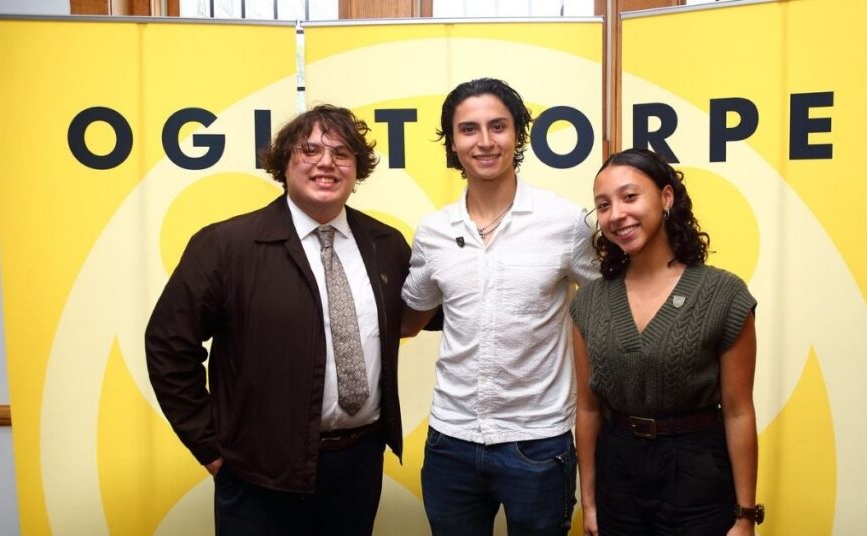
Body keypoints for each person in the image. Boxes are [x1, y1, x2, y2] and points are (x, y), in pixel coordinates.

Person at [146, 104, 409, 535]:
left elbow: (429, 311)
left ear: (356, 170)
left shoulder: (385, 244)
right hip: (257, 475)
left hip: (357, 468)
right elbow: (168, 347)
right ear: (283, 162)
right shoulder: (225, 246)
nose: (326, 163)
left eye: (342, 153)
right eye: (310, 150)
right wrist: (211, 449)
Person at [400, 77, 599, 535]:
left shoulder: (565, 222)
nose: (485, 141)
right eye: (469, 129)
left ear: (518, 134)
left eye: (498, 126)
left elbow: (611, 301)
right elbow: (410, 317)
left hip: (538, 442)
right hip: (450, 441)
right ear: (452, 142)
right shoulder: (433, 231)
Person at [570, 148, 762, 535]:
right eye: (603, 205)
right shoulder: (589, 302)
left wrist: (744, 517)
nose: (616, 214)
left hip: (698, 474)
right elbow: (588, 410)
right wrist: (590, 502)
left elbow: (739, 411)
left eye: (629, 197)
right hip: (618, 473)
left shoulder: (723, 294)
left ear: (666, 197)